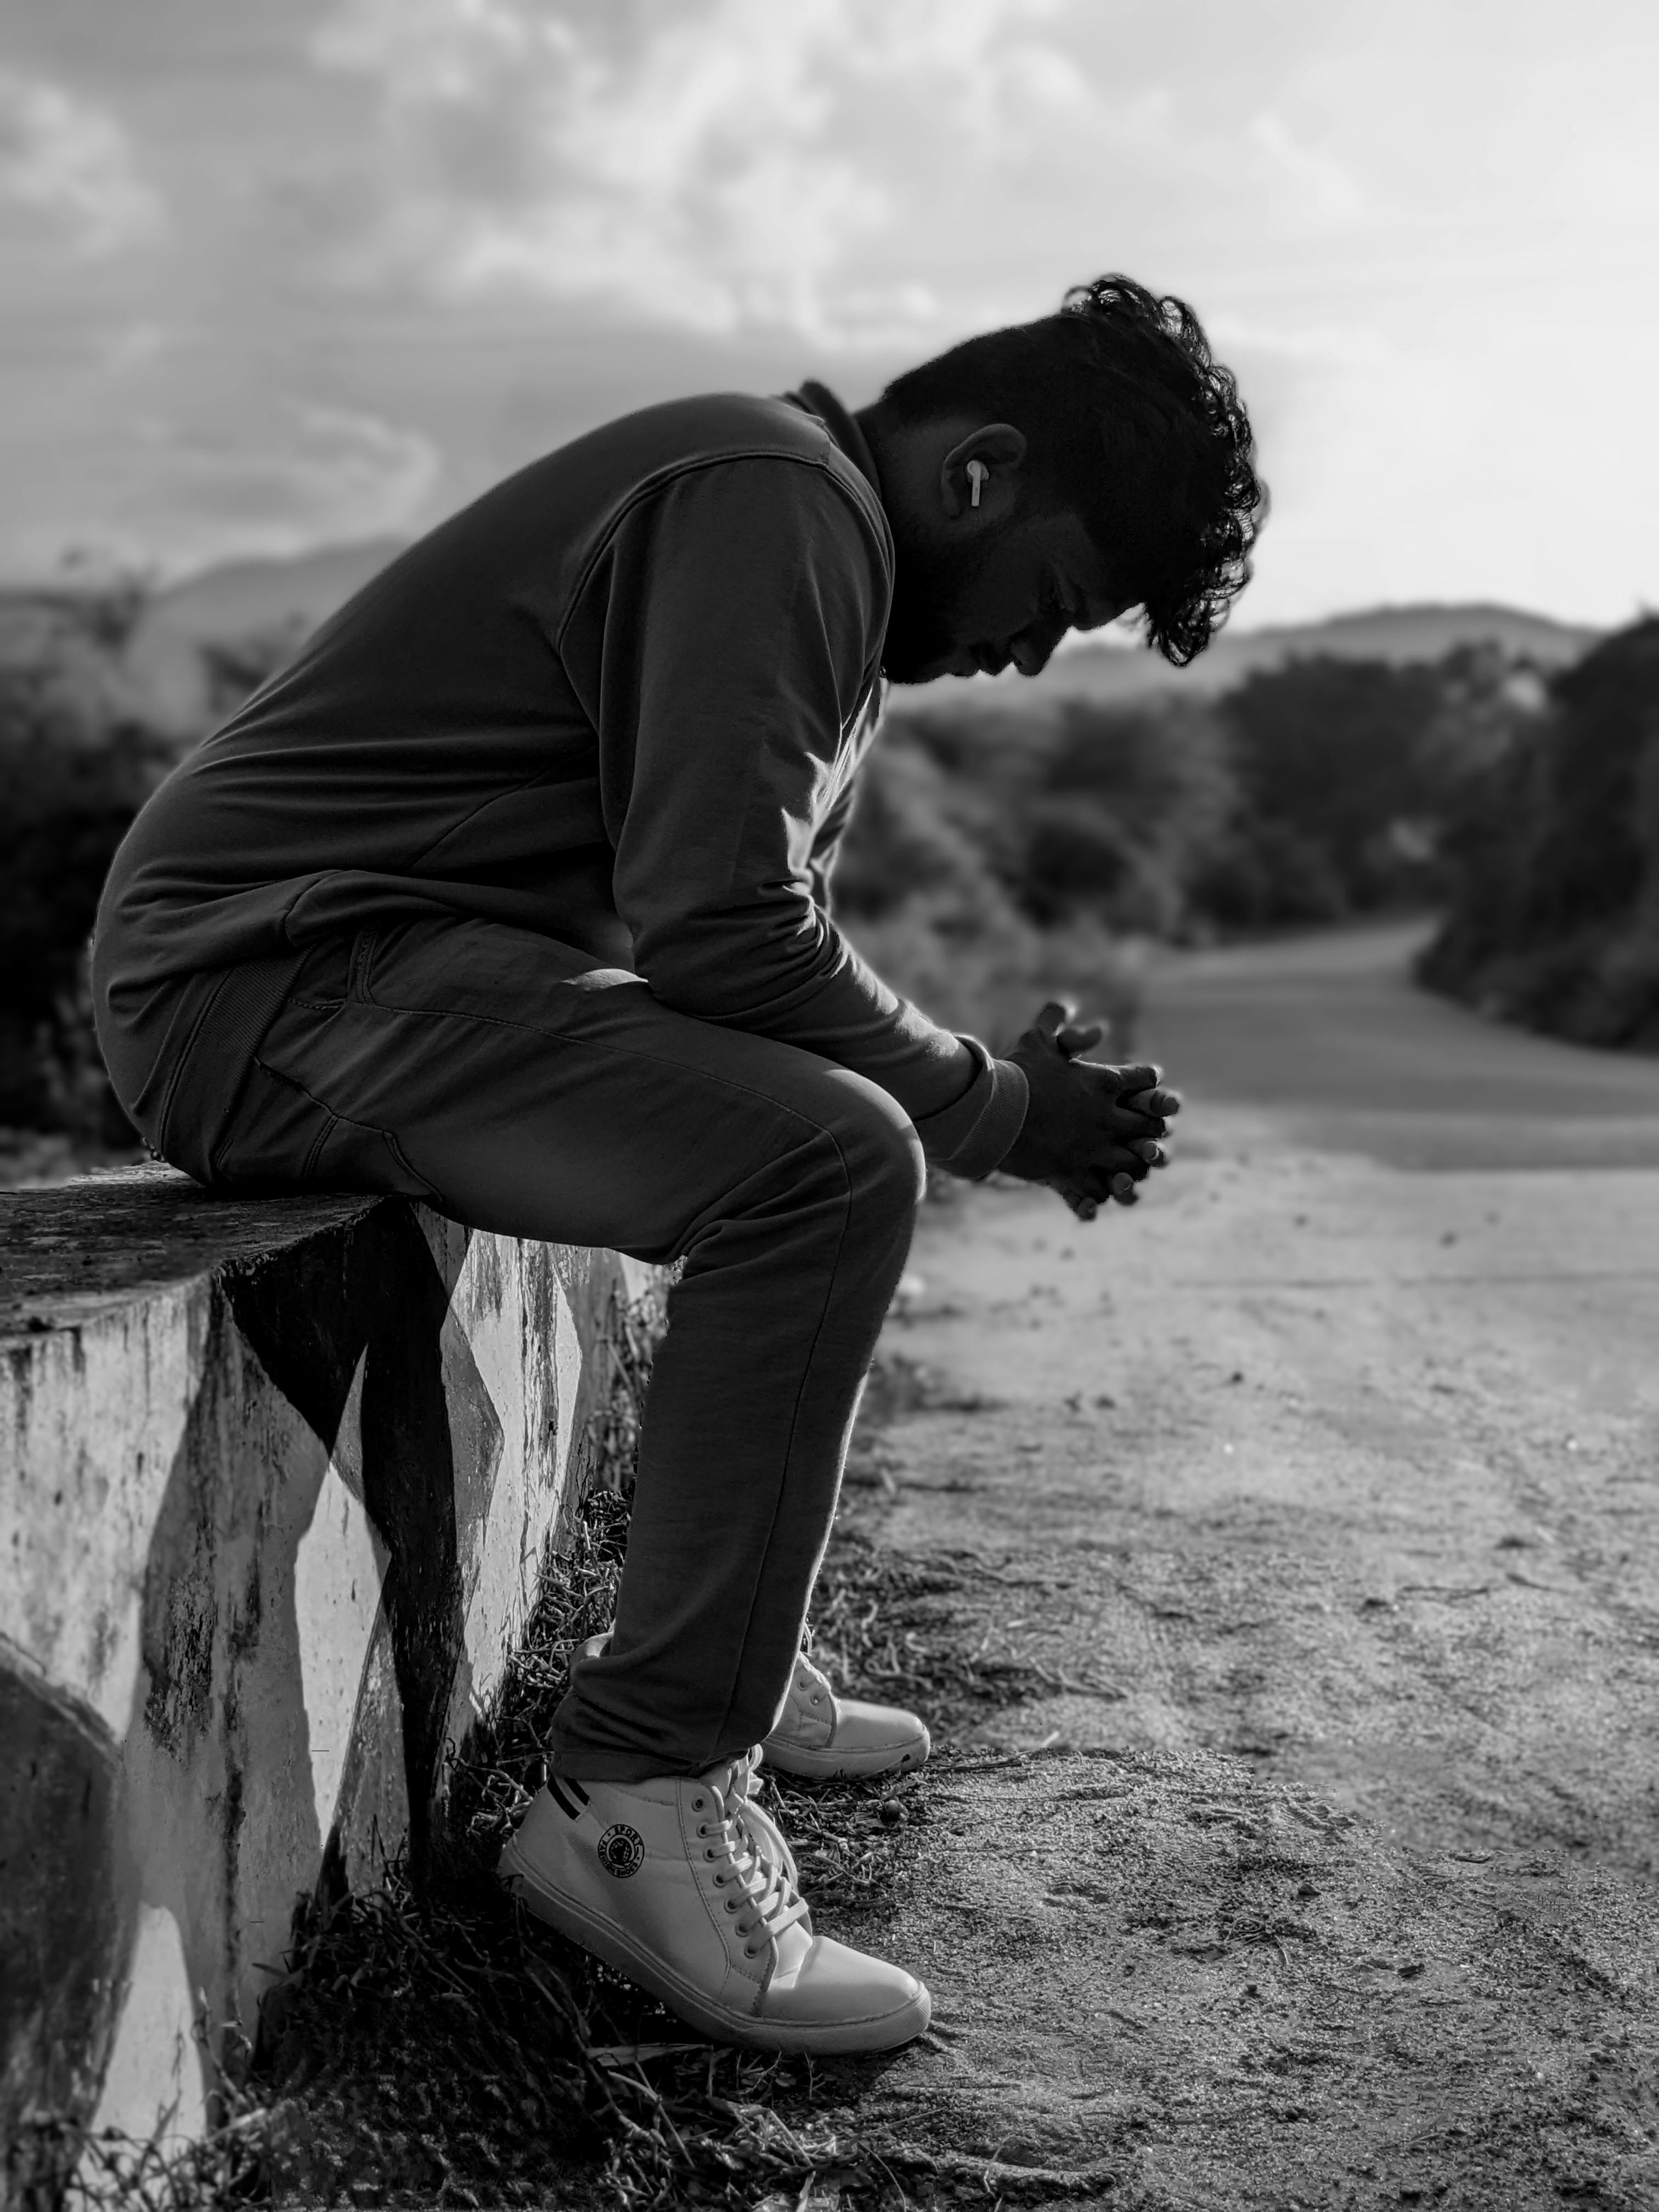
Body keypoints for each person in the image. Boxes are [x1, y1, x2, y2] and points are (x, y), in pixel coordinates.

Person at [92, 273, 1262, 2057]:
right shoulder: (777, 499)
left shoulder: (808, 535)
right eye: (1059, 604)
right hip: (265, 984)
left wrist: (987, 1093)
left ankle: (722, 1638)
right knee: (834, 1164)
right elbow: (728, 931)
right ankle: (633, 1796)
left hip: (353, 978)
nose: (1032, 656)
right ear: (983, 473)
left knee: (807, 1131)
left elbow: (746, 945)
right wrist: (994, 1111)